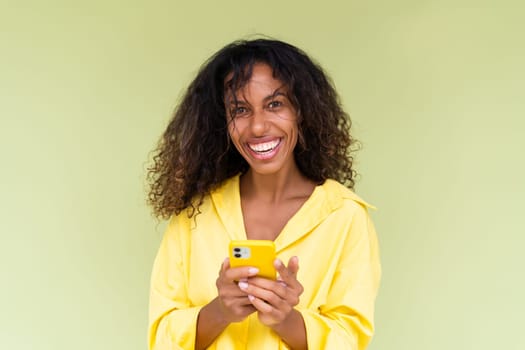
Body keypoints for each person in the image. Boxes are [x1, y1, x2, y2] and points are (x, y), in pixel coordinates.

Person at [146, 38, 381, 350]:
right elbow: (161, 337)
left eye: (274, 104)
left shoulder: (345, 216)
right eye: (240, 109)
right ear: (222, 122)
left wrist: (287, 319)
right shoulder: (195, 214)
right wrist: (220, 311)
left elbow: (351, 339)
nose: (257, 127)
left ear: (302, 111)